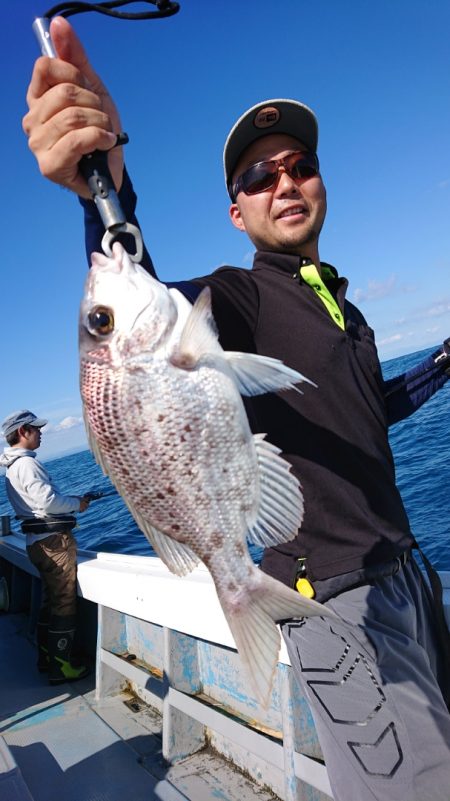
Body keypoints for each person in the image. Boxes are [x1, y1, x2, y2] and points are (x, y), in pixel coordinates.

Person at [22, 17, 450, 800]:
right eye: (258, 177)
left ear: (320, 180)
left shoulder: (348, 314)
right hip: (336, 602)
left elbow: (365, 415)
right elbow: (134, 281)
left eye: (299, 166)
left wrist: (443, 363)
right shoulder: (239, 298)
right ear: (236, 212)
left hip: (408, 569)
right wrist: (105, 187)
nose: (284, 183)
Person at [0, 409, 91, 685]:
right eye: (36, 429)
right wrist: (77, 503)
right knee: (63, 603)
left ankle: (46, 658)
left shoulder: (13, 467)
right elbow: (47, 502)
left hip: (37, 543)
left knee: (50, 602)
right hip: (53, 543)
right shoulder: (27, 465)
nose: (41, 433)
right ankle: (61, 667)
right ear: (22, 432)